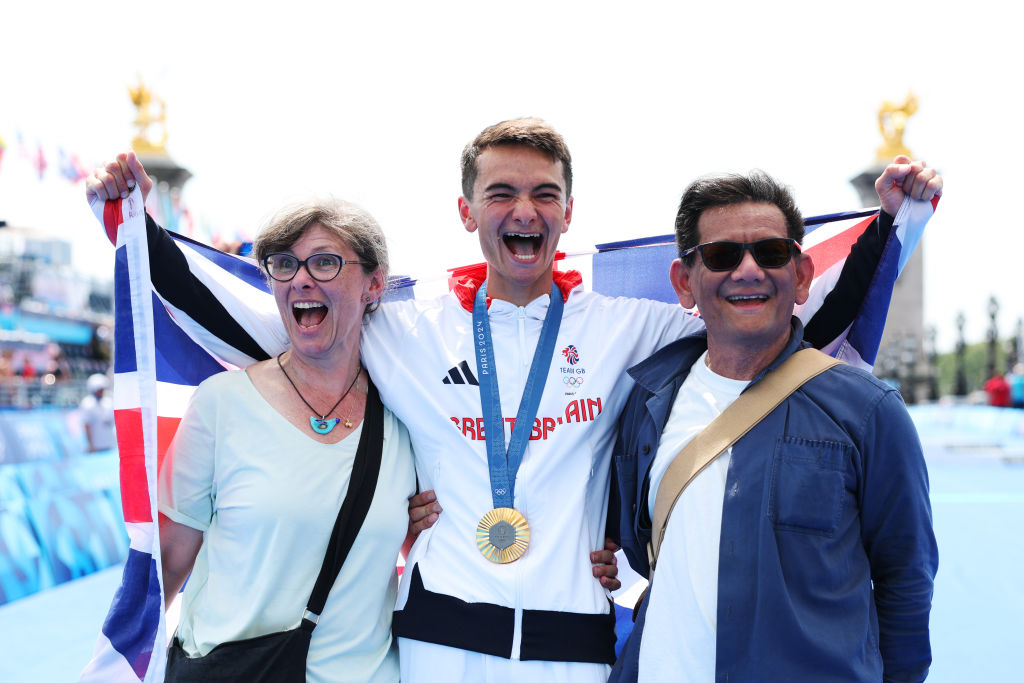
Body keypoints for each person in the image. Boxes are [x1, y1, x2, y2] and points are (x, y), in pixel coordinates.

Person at [88, 118, 938, 682]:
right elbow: (257, 310)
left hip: (571, 651)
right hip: (434, 647)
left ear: (568, 213)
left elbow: (779, 304)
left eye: (542, 194)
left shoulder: (631, 330)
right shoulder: (404, 330)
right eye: (501, 193)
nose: (522, 210)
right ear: (467, 211)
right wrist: (136, 234)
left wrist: (894, 228)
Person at [609, 170, 940, 682]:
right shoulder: (646, 402)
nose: (748, 270)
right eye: (721, 255)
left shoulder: (870, 413)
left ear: (802, 276)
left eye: (770, 253)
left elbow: (906, 584)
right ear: (684, 282)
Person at [85, 186, 421, 681]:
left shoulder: (408, 414)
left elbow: (425, 543)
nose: (301, 279)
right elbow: (169, 565)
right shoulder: (222, 403)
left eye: (325, 262)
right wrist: (118, 669)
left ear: (374, 285)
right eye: (284, 264)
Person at [80, 372, 115, 452]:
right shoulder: (87, 404)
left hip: (110, 446)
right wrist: (90, 445)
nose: (102, 391)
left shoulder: (108, 402)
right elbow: (86, 426)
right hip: (96, 448)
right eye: (99, 389)